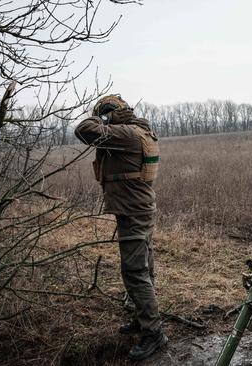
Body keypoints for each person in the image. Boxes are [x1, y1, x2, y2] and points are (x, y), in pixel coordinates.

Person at [74, 94, 166, 361]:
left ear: (110, 114)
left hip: (133, 212)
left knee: (135, 272)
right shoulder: (138, 130)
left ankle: (153, 333)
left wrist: (99, 118)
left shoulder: (126, 134)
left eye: (104, 115)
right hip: (137, 209)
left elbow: (83, 130)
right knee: (143, 268)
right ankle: (143, 320)